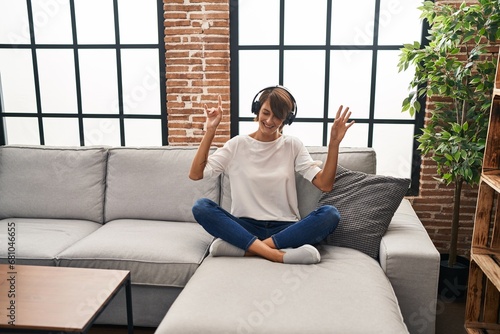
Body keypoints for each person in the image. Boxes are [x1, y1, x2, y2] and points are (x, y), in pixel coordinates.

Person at [189, 86, 354, 264]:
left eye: (277, 116)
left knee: (330, 214)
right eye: (265, 112)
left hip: (285, 228)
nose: (269, 120)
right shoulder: (237, 144)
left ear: (286, 118)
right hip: (245, 226)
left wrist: (334, 143)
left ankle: (249, 249)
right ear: (257, 110)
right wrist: (210, 130)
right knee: (201, 207)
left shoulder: (292, 145)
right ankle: (276, 254)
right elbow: (196, 174)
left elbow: (325, 184)